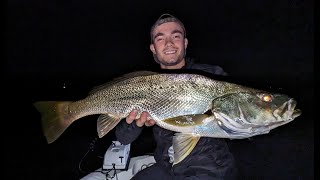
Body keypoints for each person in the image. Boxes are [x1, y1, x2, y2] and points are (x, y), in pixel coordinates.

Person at [115, 13, 238, 180]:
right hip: (167, 166)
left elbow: (236, 122)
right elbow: (123, 138)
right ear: (153, 49)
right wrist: (134, 123)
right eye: (160, 38)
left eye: (176, 36)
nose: (169, 43)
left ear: (185, 43)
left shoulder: (212, 76)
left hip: (209, 166)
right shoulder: (142, 84)